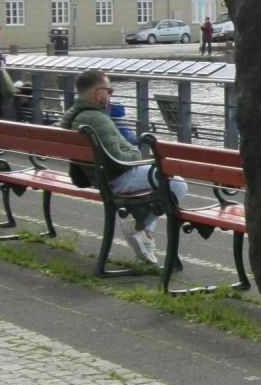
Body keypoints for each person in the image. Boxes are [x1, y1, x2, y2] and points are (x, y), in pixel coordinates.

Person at [60, 68, 187, 265]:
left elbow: (118, 149)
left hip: (97, 177)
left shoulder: (71, 115)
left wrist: (129, 150)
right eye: (109, 91)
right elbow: (118, 158)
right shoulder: (97, 119)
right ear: (98, 93)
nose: (110, 95)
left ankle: (146, 235)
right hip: (115, 179)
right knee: (177, 183)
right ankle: (140, 225)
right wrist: (135, 153)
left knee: (162, 182)